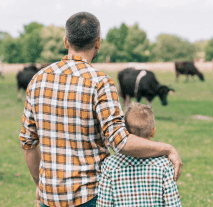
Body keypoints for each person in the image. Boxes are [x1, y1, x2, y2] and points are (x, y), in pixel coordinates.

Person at [19, 12, 183, 207]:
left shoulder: (38, 79)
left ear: (65, 41)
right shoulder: (100, 82)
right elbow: (120, 141)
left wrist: (40, 184)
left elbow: (28, 141)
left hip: (49, 198)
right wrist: (167, 149)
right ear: (98, 42)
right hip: (92, 197)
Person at [97, 103, 182, 207]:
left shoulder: (110, 165)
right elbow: (173, 204)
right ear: (153, 132)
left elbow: (104, 204)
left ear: (125, 131)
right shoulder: (164, 165)